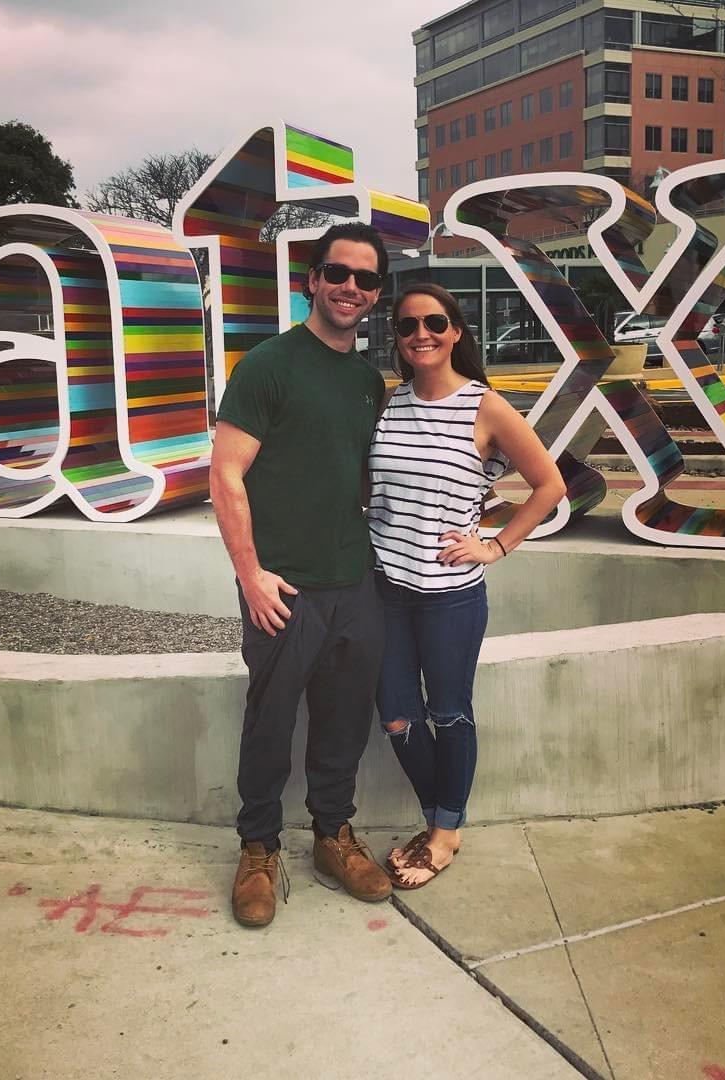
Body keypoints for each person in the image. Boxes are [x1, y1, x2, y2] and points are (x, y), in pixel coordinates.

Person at [210, 222, 394, 927]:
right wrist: (251, 574)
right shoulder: (268, 365)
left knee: (345, 720)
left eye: (365, 279)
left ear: (375, 295)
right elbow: (226, 475)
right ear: (313, 280)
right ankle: (258, 848)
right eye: (338, 273)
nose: (350, 287)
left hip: (355, 583)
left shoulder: (364, 380)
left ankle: (331, 836)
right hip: (282, 587)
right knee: (270, 721)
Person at [368, 283, 566, 889]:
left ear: (455, 331)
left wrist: (495, 545)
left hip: (449, 594)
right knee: (398, 718)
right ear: (396, 340)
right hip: (384, 589)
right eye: (406, 326)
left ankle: (444, 833)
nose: (420, 334)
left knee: (448, 712)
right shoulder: (388, 403)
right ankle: (439, 820)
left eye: (434, 322)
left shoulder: (486, 406)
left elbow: (549, 486)